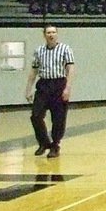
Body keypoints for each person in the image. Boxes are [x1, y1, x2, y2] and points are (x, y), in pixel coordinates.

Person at [25, 24, 76, 158]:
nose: (51, 35)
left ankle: (55, 145)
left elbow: (71, 69)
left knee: (58, 118)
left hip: (59, 84)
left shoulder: (65, 49)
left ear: (57, 34)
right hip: (43, 85)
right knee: (35, 115)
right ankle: (43, 142)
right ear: (44, 35)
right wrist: (28, 89)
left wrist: (68, 88)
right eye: (48, 32)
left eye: (53, 32)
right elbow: (33, 71)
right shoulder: (39, 51)